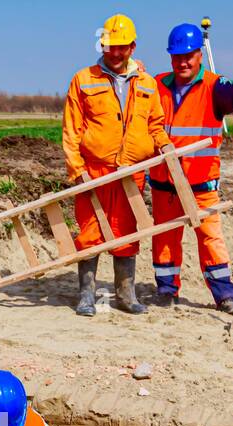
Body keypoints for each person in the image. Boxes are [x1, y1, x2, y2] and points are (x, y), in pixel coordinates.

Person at [63, 13, 170, 316]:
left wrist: (165, 145)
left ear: (132, 47)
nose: (114, 52)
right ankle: (87, 295)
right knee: (90, 232)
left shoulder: (147, 83)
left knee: (126, 232)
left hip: (131, 173)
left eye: (121, 47)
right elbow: (71, 130)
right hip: (93, 171)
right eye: (109, 46)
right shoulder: (84, 80)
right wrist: (76, 169)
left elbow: (156, 124)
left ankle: (126, 294)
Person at [148, 22, 233, 313]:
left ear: (199, 55)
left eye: (188, 56)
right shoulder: (157, 84)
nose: (182, 62)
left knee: (211, 239)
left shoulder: (213, 85)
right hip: (165, 184)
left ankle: (224, 295)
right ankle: (166, 291)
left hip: (201, 185)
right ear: (170, 58)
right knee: (164, 239)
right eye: (177, 57)